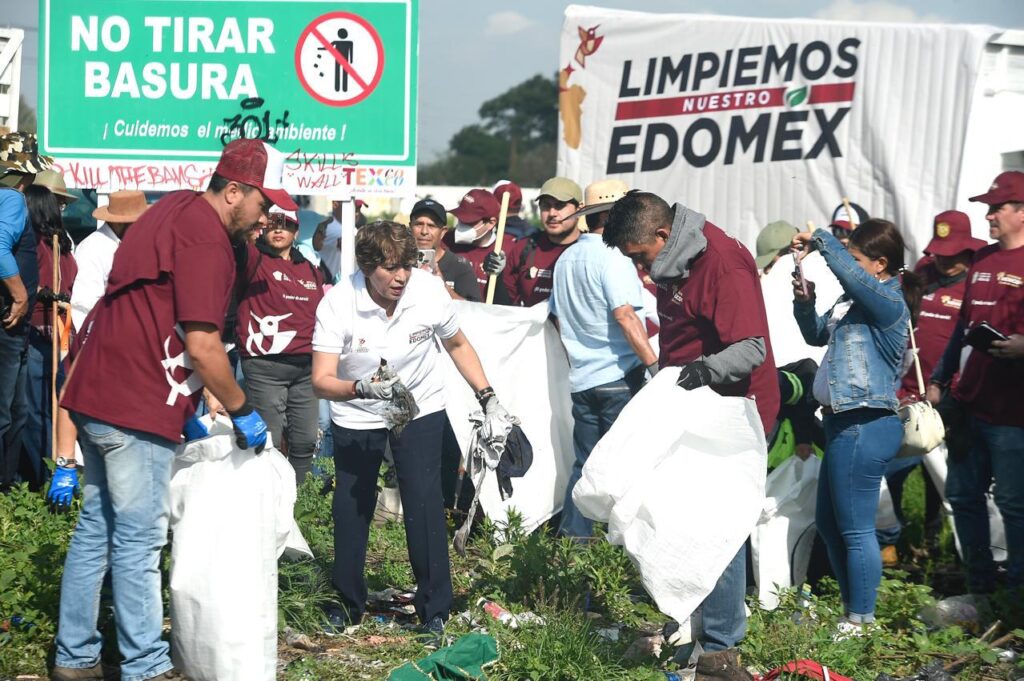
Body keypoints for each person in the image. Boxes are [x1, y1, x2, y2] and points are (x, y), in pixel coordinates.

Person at [51, 138, 291, 681]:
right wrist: (243, 408)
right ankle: (145, 666)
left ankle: (75, 656)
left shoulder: (175, 206)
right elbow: (204, 345)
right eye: (261, 202)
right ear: (234, 191)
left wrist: (188, 402)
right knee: (140, 539)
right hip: (136, 404)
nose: (265, 214)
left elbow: (151, 308)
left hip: (94, 390)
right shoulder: (207, 239)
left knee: (98, 528)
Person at [312, 221, 512, 645]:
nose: (401, 276)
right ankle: (348, 602)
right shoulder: (337, 303)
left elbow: (457, 345)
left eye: (406, 265)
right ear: (367, 267)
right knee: (352, 507)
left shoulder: (427, 290)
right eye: (389, 268)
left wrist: (488, 396)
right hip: (358, 408)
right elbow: (321, 379)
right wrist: (359, 388)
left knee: (424, 502)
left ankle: (434, 608)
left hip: (419, 404)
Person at [603, 191, 779, 664]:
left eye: (641, 256)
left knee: (716, 524)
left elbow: (751, 349)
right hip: (690, 403)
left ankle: (722, 647)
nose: (642, 269)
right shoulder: (672, 259)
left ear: (663, 234)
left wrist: (700, 371)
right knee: (679, 514)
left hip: (734, 410)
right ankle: (691, 617)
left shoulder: (723, 263)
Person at [791, 219, 921, 634]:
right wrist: (805, 303)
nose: (852, 267)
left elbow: (845, 271)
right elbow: (815, 336)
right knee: (831, 526)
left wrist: (825, 242)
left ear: (880, 265)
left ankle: (861, 621)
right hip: (840, 425)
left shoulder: (889, 303)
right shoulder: (852, 303)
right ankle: (853, 613)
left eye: (859, 259)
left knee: (855, 528)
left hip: (865, 423)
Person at [928, 171, 1024, 595]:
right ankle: (982, 589)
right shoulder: (982, 260)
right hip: (969, 404)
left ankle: (1017, 596)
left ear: (1022, 212)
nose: (987, 216)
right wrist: (938, 380)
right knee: (964, 498)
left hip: (1013, 414)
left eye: (996, 208)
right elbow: (962, 329)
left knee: (1014, 506)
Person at [549, 178, 657, 539]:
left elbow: (557, 318)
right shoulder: (614, 256)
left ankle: (572, 551)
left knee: (586, 468)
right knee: (625, 472)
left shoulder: (566, 258)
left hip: (582, 380)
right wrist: (655, 368)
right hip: (619, 378)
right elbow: (626, 316)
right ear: (612, 216)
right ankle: (623, 554)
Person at [877, 210, 986, 565]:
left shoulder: (977, 282)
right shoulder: (922, 275)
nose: (945, 262)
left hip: (952, 398)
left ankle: (943, 547)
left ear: (968, 251)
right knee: (892, 467)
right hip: (908, 395)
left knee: (944, 479)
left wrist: (951, 389)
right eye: (940, 253)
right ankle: (890, 541)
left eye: (952, 256)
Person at [236, 207, 325, 485]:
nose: (278, 229)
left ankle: (296, 508)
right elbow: (237, 240)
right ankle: (265, 507)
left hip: (305, 369)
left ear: (296, 232)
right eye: (273, 224)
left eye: (286, 224)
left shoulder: (309, 268)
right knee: (267, 445)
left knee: (306, 441)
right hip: (265, 367)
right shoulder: (253, 258)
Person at [0, 132, 50, 493]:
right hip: (8, 321)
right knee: (7, 410)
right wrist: (19, 295)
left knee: (14, 409)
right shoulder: (12, 200)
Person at [24, 184, 77, 486]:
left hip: (44, 332)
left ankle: (43, 476)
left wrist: (45, 295)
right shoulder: (61, 245)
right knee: (46, 406)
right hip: (58, 333)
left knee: (38, 410)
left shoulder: (47, 246)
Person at [70, 191, 149, 331]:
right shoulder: (93, 248)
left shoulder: (126, 244)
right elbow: (84, 304)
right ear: (119, 224)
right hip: (101, 332)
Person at [502, 177, 583, 306]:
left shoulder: (590, 250)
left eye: (560, 205)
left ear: (579, 209)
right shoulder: (523, 248)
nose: (552, 213)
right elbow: (506, 302)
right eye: (546, 206)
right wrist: (495, 276)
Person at [441, 188, 515, 300]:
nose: (462, 225)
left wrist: (498, 278)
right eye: (461, 219)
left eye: (469, 221)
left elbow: (509, 303)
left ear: (491, 223)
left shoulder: (507, 250)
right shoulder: (445, 241)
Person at [410, 198, 481, 301]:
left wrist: (442, 286)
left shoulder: (459, 265)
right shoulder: (400, 262)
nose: (424, 231)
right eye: (418, 224)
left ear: (443, 232)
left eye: (431, 226)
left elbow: (473, 310)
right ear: (410, 227)